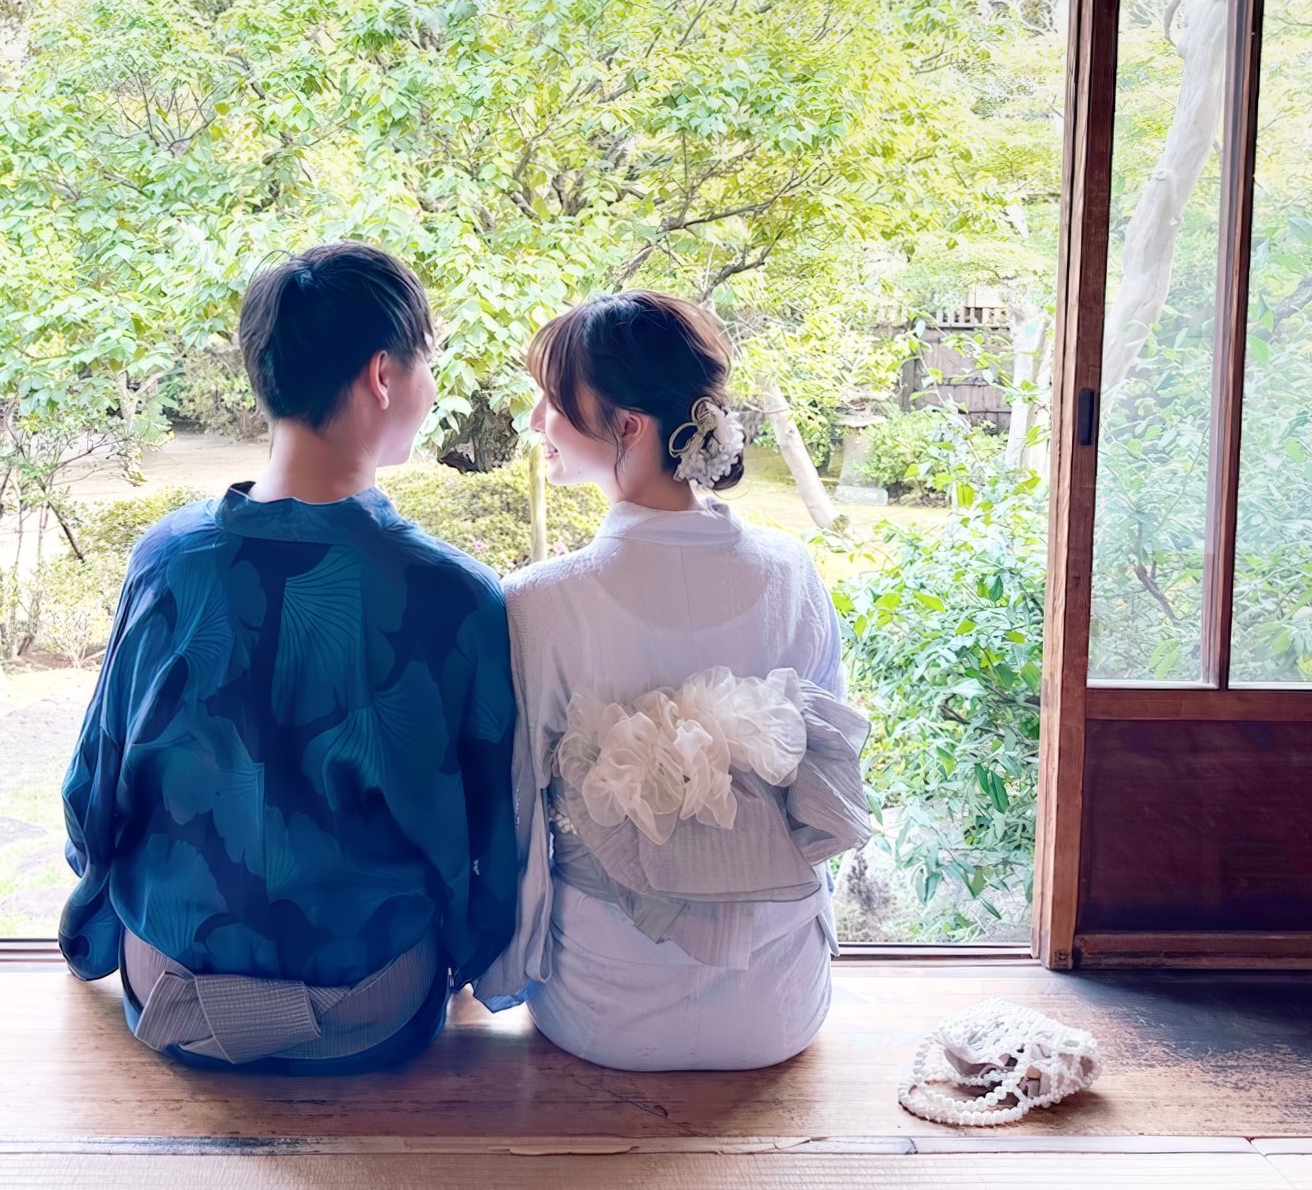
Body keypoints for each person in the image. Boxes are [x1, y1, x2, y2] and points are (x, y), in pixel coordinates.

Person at [58, 242, 520, 1072]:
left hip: (171, 990)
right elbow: (492, 839)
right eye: (429, 364)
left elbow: (94, 784)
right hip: (369, 1007)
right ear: (384, 377)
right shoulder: (452, 594)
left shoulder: (166, 559)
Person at [478, 291, 873, 1071]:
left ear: (628, 425)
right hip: (779, 1003)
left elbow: (517, 815)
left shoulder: (540, 602)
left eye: (552, 402)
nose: (534, 422)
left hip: (604, 1009)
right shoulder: (793, 571)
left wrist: (500, 971)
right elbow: (830, 782)